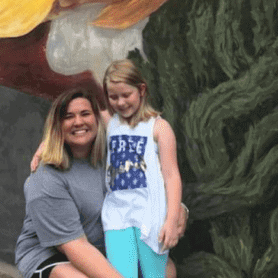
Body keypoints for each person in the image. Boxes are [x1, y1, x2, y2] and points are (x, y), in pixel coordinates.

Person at [16, 88, 185, 278]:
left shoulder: (115, 155)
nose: (78, 122)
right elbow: (75, 247)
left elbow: (147, 189)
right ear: (57, 125)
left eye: (85, 114)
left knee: (166, 270)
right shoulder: (46, 178)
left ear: (97, 119)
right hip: (54, 254)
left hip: (110, 246)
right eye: (68, 116)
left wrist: (178, 209)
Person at [101, 59, 182, 278]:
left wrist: (172, 220)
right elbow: (66, 128)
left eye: (126, 95)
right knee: (121, 274)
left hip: (151, 216)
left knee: (154, 274)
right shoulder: (108, 121)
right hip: (117, 216)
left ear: (141, 90)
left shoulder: (159, 128)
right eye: (113, 97)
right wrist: (44, 148)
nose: (120, 102)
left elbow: (172, 177)